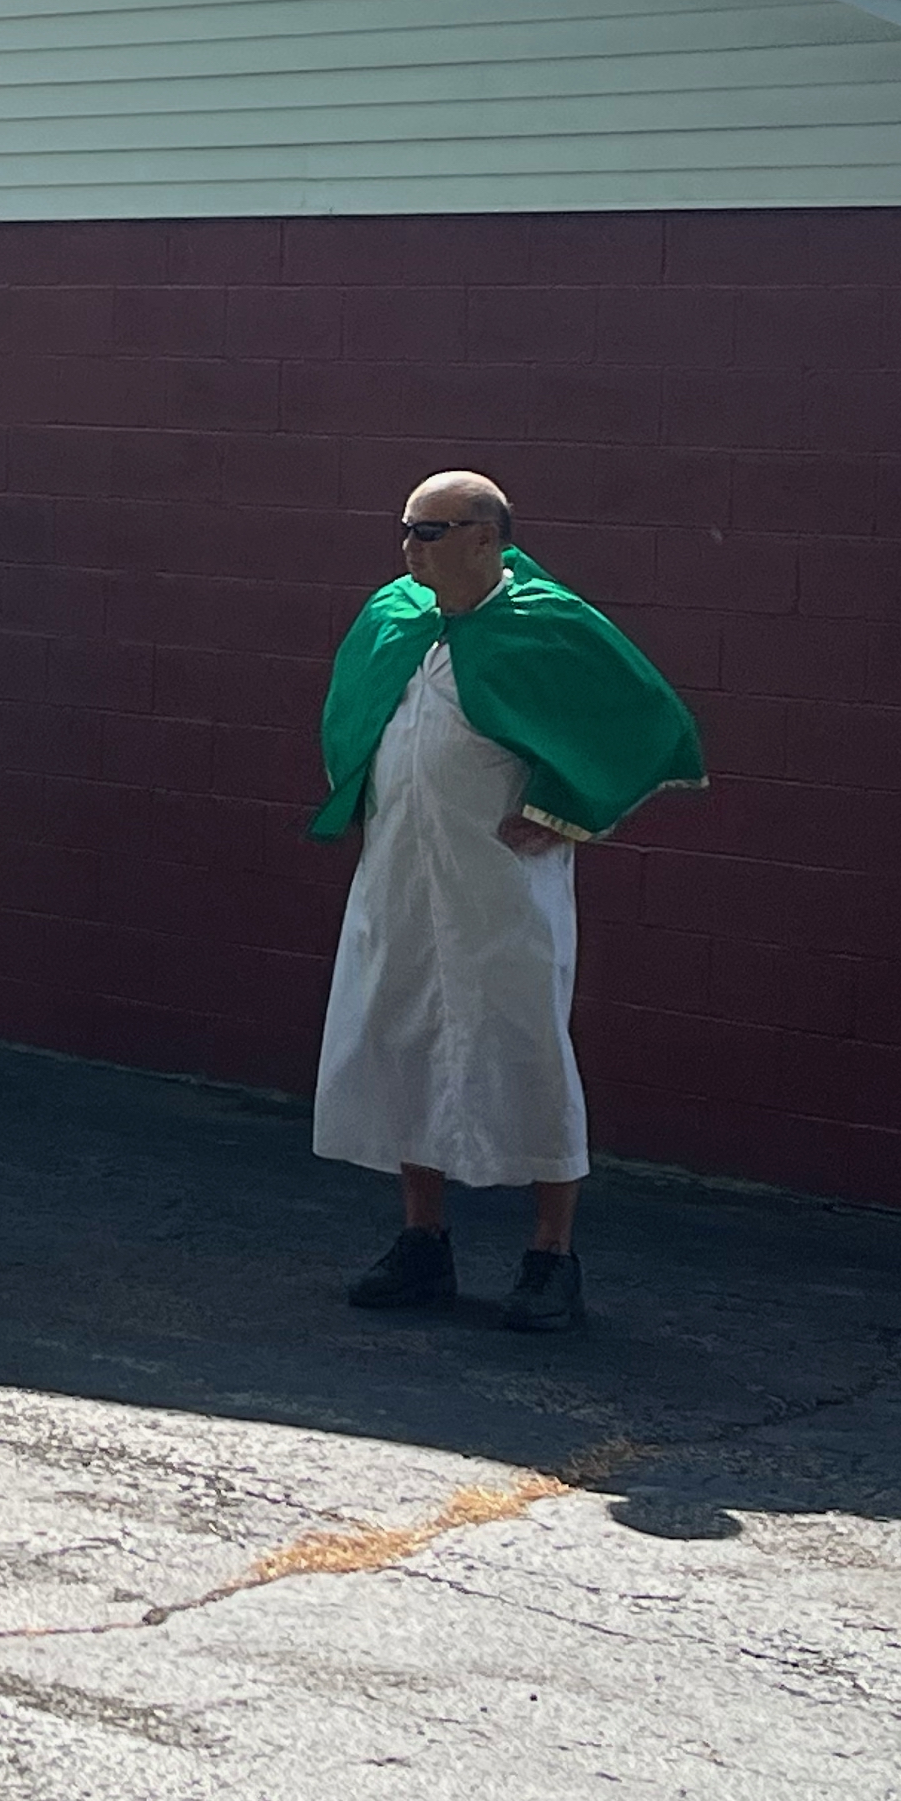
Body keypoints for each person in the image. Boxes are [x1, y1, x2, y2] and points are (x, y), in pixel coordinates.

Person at [312, 469, 704, 1335]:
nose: (408, 547)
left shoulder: (545, 623)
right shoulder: (393, 618)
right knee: (403, 1035)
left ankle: (551, 1256)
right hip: (401, 873)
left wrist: (565, 803)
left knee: (527, 1046)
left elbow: (639, 719)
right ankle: (423, 1241)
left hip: (499, 883)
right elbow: (351, 711)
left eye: (429, 531)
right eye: (405, 528)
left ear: (486, 538)